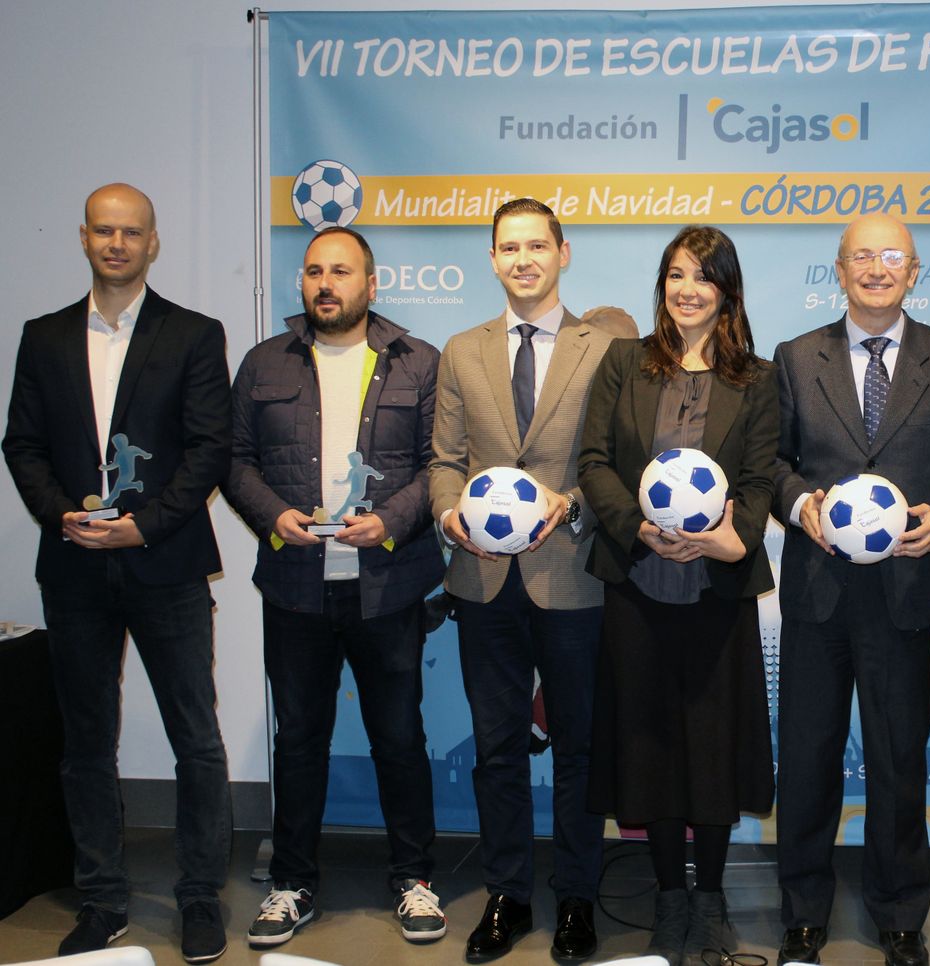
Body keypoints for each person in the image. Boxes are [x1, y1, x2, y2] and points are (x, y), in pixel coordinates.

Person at [2, 183, 232, 963]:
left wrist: (145, 525)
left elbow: (209, 448)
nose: (117, 243)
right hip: (71, 567)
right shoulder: (44, 338)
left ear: (153, 242)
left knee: (196, 740)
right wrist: (59, 512)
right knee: (86, 744)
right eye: (104, 230)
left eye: (132, 232)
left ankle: (201, 896)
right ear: (84, 238)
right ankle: (101, 899)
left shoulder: (195, 335)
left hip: (165, 563)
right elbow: (20, 445)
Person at [772, 213, 930, 966]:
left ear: (915, 269)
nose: (875, 268)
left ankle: (900, 910)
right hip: (815, 591)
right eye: (860, 256)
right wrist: (803, 508)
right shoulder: (797, 358)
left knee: (898, 758)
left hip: (903, 589)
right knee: (806, 758)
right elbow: (771, 465)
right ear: (839, 270)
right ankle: (802, 910)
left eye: (890, 256)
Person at [224, 227, 446, 948]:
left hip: (388, 584)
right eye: (315, 271)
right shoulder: (264, 363)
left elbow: (436, 467)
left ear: (371, 284)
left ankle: (414, 879)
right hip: (296, 586)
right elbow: (236, 460)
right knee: (299, 739)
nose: (326, 283)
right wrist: (272, 515)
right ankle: (291, 882)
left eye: (341, 271)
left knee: (400, 738)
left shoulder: (418, 363)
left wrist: (387, 521)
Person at [429, 197, 636, 964]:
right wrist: (448, 513)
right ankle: (509, 895)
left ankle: (577, 898)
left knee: (580, 746)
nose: (523, 259)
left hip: (573, 578)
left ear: (563, 253)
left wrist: (574, 505)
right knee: (495, 747)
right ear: (492, 260)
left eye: (536, 246)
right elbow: (445, 457)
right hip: (481, 579)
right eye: (508, 248)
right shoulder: (462, 349)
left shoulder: (604, 347)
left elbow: (616, 460)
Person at [578, 225, 777, 965]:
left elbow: (759, 482)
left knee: (713, 746)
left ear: (727, 289)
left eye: (703, 275)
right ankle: (668, 900)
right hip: (638, 584)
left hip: (718, 591)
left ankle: (712, 901)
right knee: (651, 743)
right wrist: (639, 528)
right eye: (675, 274)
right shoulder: (624, 363)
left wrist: (733, 537)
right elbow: (594, 461)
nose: (687, 288)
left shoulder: (755, 379)